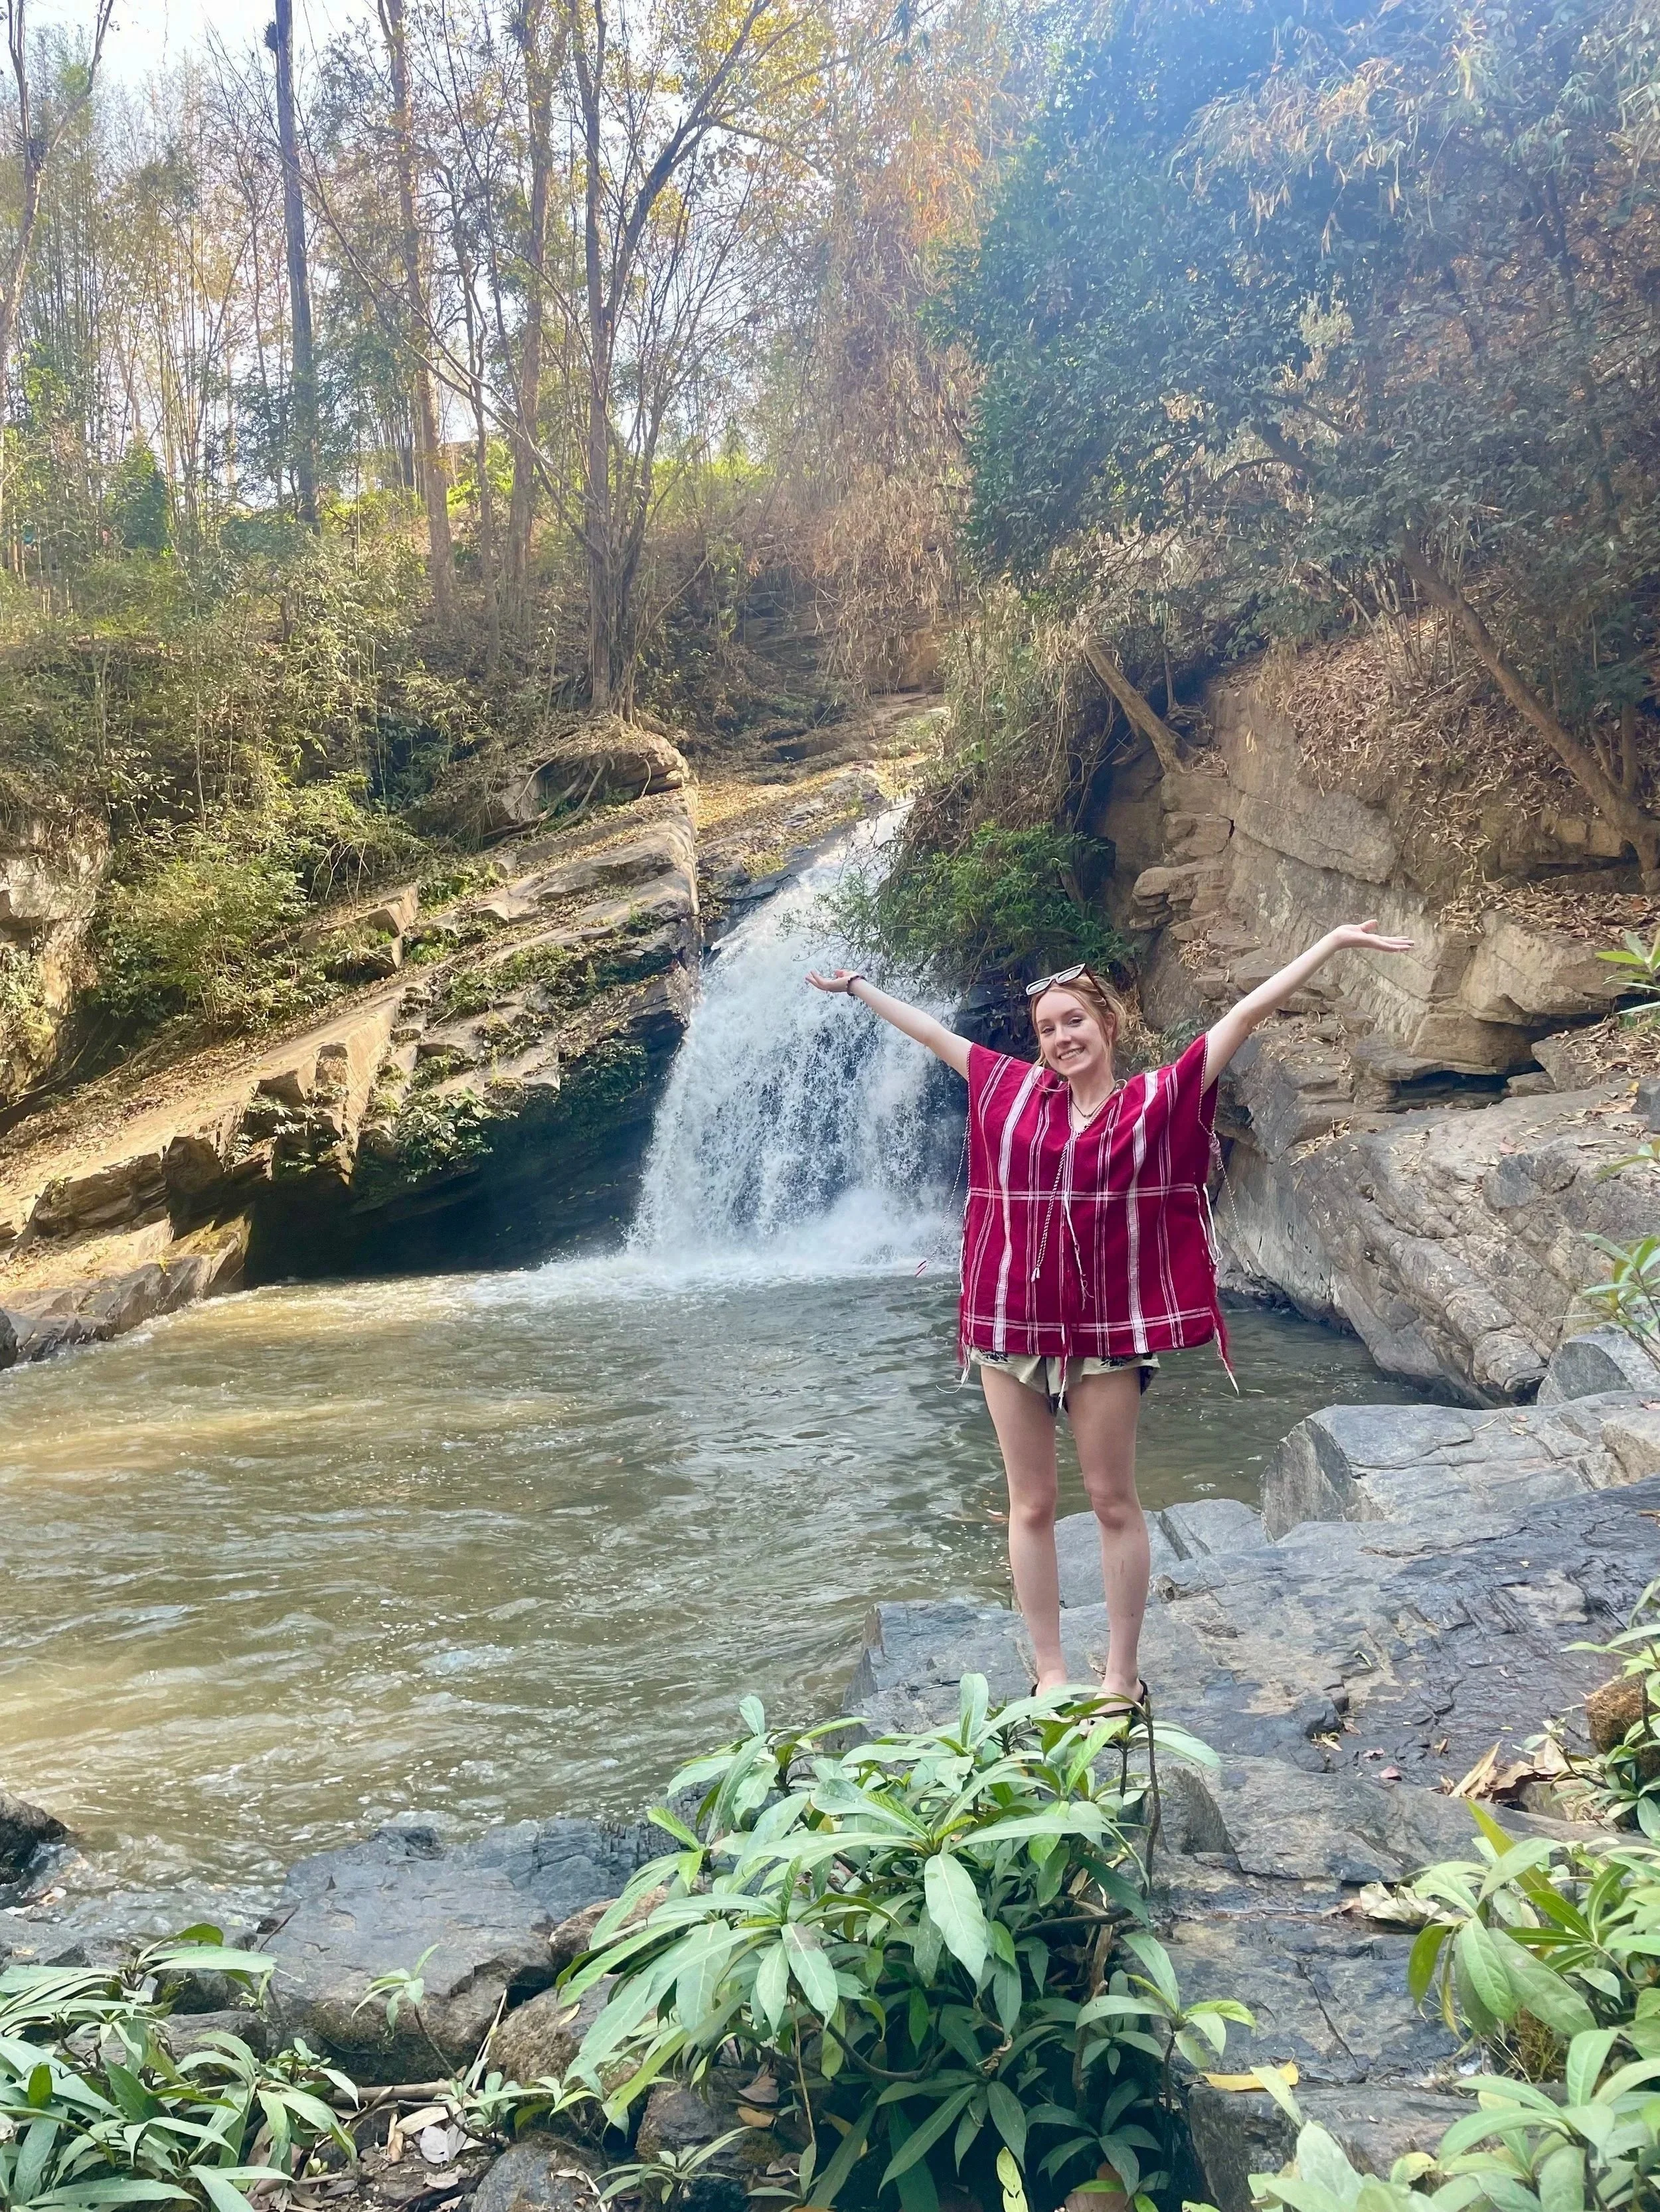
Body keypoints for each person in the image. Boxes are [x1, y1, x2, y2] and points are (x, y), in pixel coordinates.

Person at [807, 921, 1412, 1709]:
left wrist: (1329, 944)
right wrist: (858, 985)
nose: (1061, 1038)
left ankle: (1121, 1678)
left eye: (1074, 1022)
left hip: (1107, 1334)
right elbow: (930, 1033)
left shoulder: (1155, 1099)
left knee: (1111, 1500)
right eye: (1048, 1028)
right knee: (1029, 1503)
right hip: (1008, 1326)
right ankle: (1051, 1672)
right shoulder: (1010, 1090)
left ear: (1107, 1025)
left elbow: (1242, 1017)